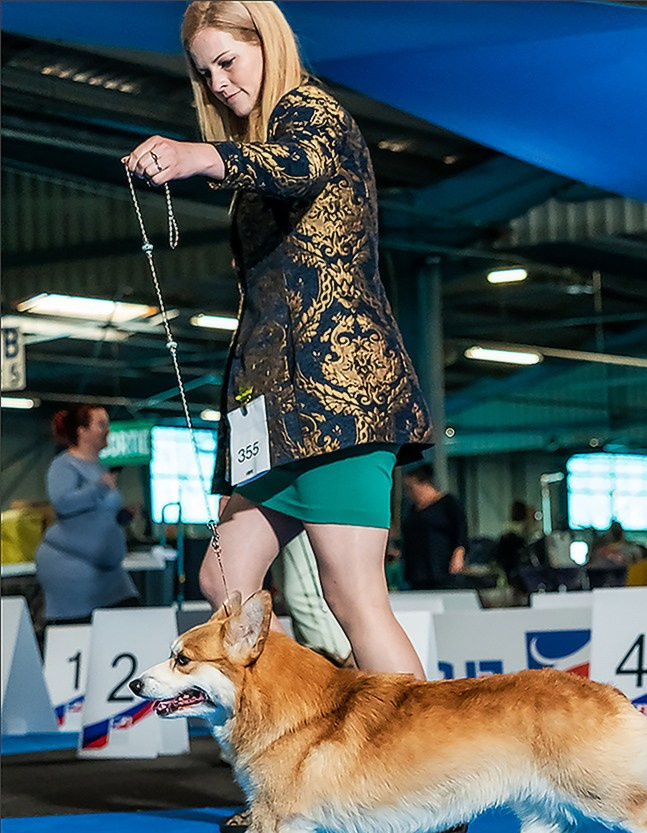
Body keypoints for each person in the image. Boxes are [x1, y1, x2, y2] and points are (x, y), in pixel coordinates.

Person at [125, 0, 432, 685]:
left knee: (354, 597)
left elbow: (295, 164)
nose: (219, 84)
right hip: (271, 410)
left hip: (338, 399)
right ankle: (302, 739)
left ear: (266, 41)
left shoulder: (313, 112)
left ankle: (427, 779)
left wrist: (198, 156)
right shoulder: (263, 140)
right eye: (205, 74)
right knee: (223, 580)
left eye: (228, 61)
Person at [35, 405, 140, 624]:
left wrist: (122, 516)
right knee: (86, 627)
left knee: (130, 613)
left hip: (106, 571)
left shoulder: (100, 467)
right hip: (71, 568)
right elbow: (62, 503)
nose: (107, 430)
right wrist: (99, 489)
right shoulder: (63, 465)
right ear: (82, 431)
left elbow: (97, 514)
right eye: (101, 424)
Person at [400, 464, 468, 590]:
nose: (408, 493)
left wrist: (459, 554)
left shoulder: (448, 503)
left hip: (441, 566)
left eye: (410, 487)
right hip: (417, 570)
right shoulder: (412, 510)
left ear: (424, 484)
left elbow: (461, 530)